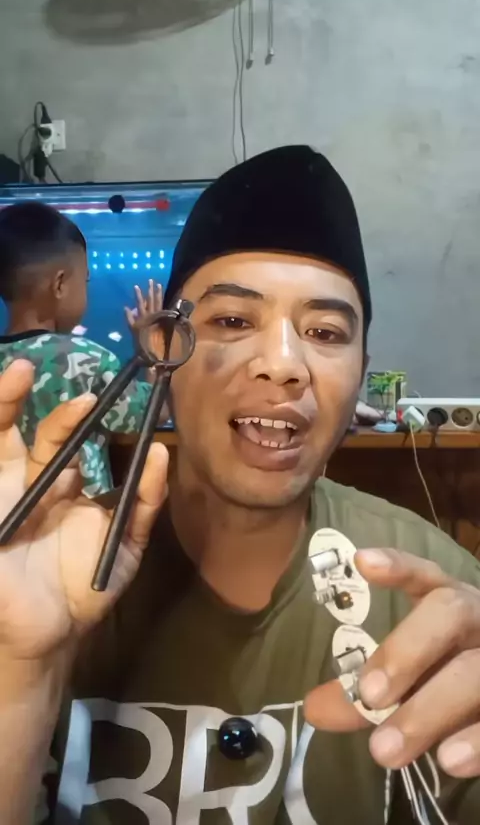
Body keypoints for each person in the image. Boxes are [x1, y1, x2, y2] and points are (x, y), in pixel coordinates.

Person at [0, 146, 479, 825]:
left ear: (360, 372)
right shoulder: (40, 581)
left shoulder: (432, 593)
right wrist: (19, 670)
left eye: (325, 332)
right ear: (164, 350)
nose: (283, 365)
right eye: (231, 320)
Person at [0, 201, 160, 497]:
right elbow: (153, 414)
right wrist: (150, 349)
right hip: (78, 518)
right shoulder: (86, 358)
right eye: (85, 280)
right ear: (60, 284)